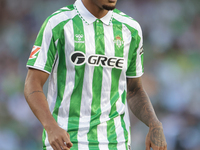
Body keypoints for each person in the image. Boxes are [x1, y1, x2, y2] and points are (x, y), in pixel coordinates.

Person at [24, 0, 167, 150]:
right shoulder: (58, 24)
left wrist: (154, 124)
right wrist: (51, 126)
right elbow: (32, 83)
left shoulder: (130, 29)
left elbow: (134, 90)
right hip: (66, 142)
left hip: (116, 143)